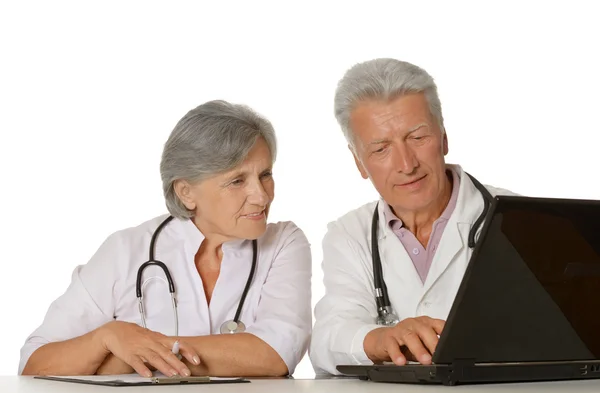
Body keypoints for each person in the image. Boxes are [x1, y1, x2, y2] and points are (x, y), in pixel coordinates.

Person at [19, 100, 312, 378]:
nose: (262, 196)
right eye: (237, 181)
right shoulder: (125, 251)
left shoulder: (284, 243)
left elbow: (275, 354)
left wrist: (130, 356)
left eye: (265, 174)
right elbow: (35, 365)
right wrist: (106, 337)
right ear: (186, 192)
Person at [309, 58, 518, 375]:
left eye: (418, 137)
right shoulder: (349, 234)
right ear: (359, 162)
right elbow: (327, 341)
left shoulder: (517, 219)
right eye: (381, 149)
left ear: (444, 138)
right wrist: (380, 339)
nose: (406, 164)